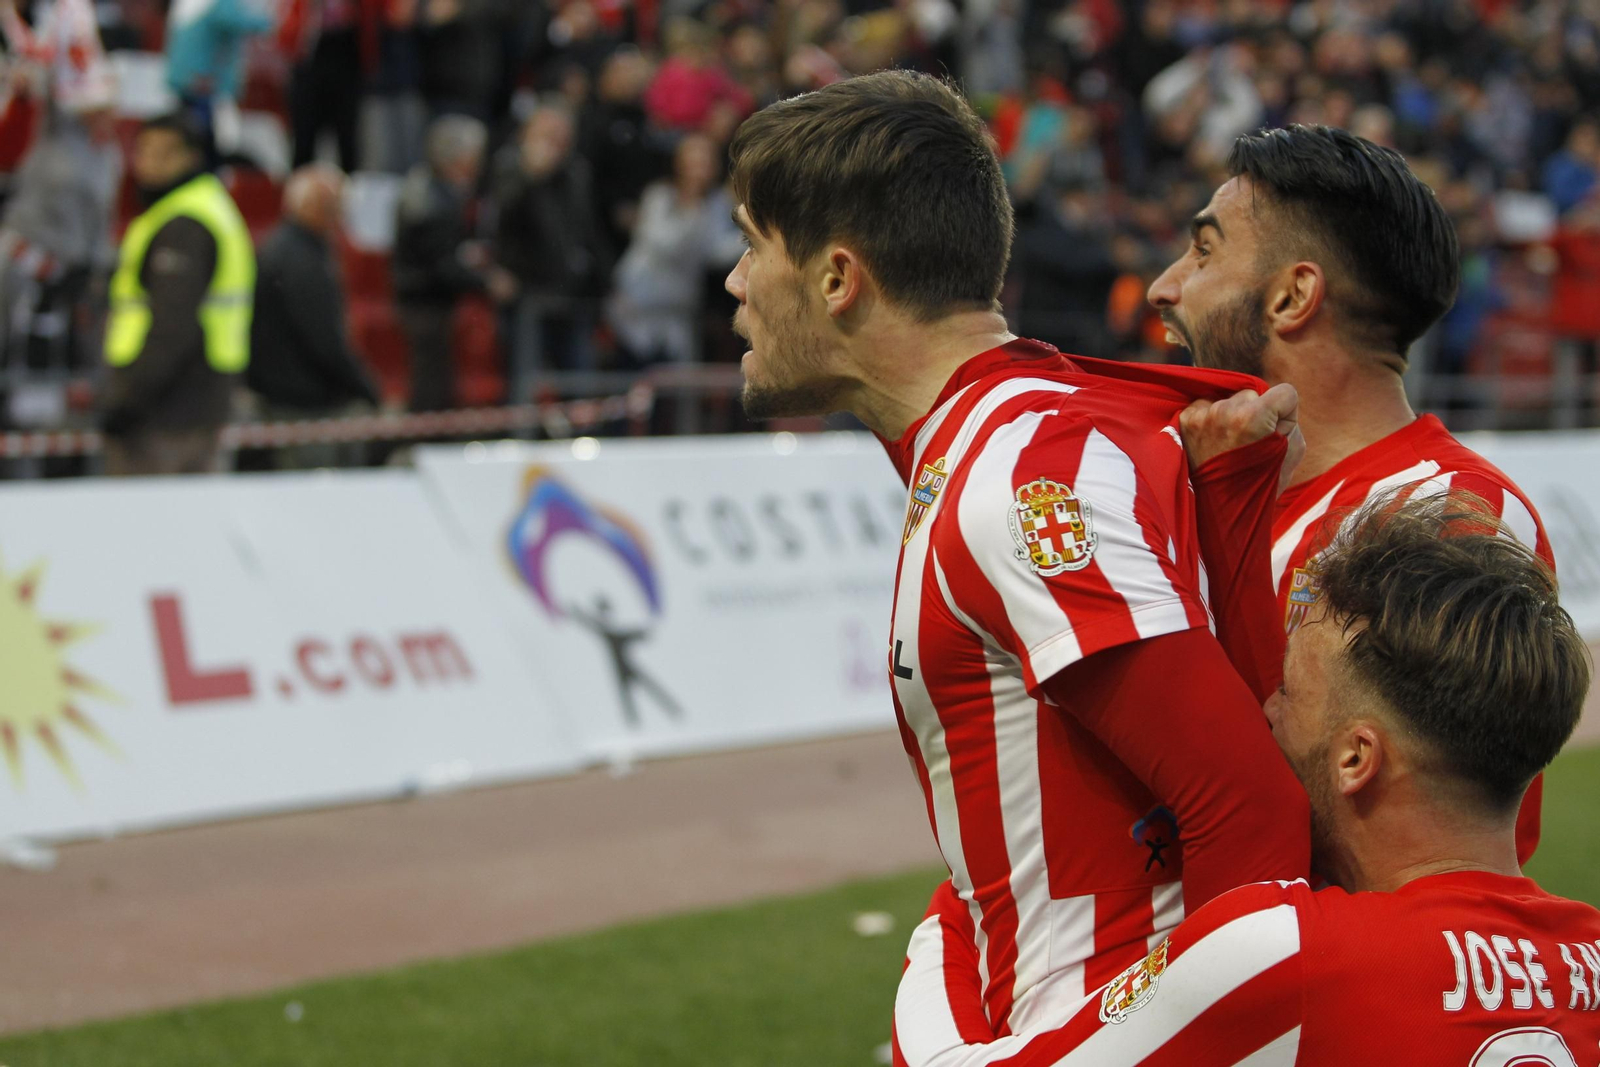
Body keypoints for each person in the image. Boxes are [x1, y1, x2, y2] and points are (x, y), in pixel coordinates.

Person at [724, 70, 1309, 1052]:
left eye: (751, 245)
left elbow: (1248, 815)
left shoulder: (1028, 476)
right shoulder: (998, 447)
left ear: (835, 277)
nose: (734, 282)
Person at [901, 491, 1598, 1065]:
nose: (1266, 714)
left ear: (1358, 759)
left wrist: (959, 908)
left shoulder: (1292, 952)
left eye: (1289, 693)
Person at [1146, 124, 1553, 863]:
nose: (1164, 286)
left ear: (1293, 295)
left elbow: (1422, 857)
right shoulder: (1201, 485)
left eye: (1204, 251)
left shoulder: (1449, 511)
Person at [99, 113, 254, 476]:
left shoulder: (184, 224)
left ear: (192, 157)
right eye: (143, 152)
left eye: (164, 153)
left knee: (146, 525)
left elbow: (173, 325)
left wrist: (128, 401)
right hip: (198, 399)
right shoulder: (205, 207)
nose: (148, 164)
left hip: (167, 409)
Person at [247, 165, 379, 467]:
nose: (340, 215)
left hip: (287, 395)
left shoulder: (285, 246)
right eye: (335, 205)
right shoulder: (301, 260)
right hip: (302, 405)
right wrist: (364, 387)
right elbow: (322, 337)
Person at [492, 99, 611, 400]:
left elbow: (588, 230)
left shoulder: (576, 171)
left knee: (579, 381)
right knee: (525, 379)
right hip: (528, 294)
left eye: (562, 135)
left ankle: (581, 441)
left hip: (572, 294)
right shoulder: (509, 166)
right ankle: (521, 438)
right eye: (548, 133)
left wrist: (605, 279)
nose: (556, 142)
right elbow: (500, 219)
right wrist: (530, 176)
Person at [392, 114, 511, 411]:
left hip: (420, 296)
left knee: (434, 375)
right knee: (432, 380)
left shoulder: (427, 188)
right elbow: (441, 265)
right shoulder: (434, 201)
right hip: (426, 301)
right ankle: (425, 439)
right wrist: (485, 282)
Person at [608, 132, 744, 364]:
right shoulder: (659, 197)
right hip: (636, 307)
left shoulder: (715, 204)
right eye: (693, 161)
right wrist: (691, 207)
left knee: (674, 388)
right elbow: (663, 244)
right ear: (679, 164)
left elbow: (716, 252)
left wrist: (754, 233)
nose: (699, 169)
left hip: (677, 312)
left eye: (705, 161)